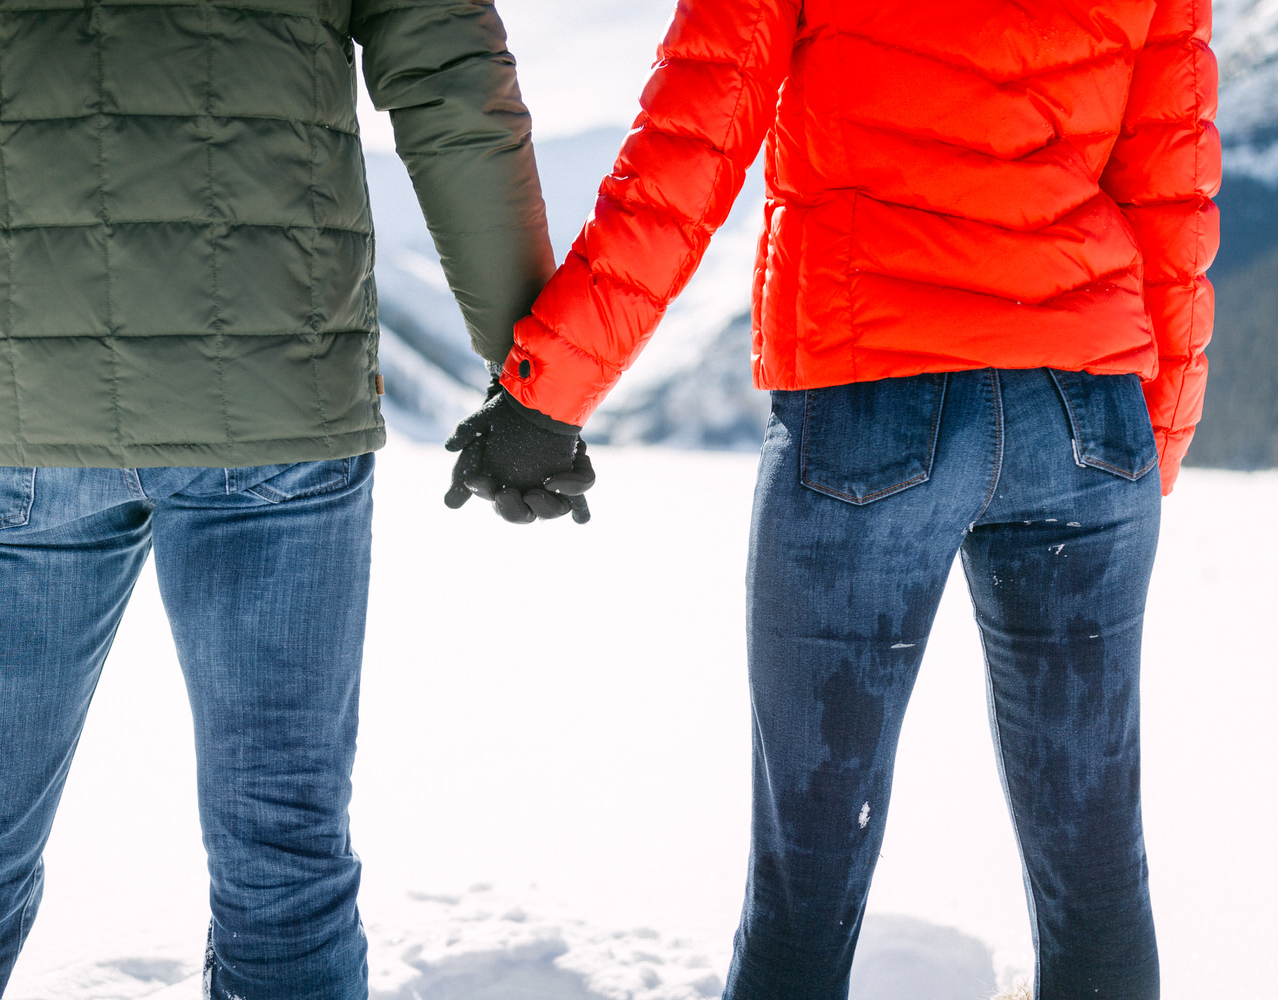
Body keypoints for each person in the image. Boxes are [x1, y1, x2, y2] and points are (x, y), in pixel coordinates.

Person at [446, 1, 1218, 997]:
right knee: (1098, 870)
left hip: (870, 398)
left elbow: (696, 136)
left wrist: (547, 395)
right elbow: (1174, 182)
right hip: (1085, 412)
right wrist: (1142, 451)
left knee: (804, 880)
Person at [0, 0, 554, 996]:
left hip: (15, 403)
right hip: (272, 393)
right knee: (285, 861)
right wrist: (534, 373)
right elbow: (447, 74)